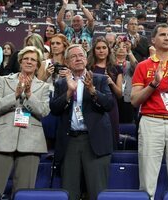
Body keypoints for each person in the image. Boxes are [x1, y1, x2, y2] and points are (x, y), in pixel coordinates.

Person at [0, 46, 50, 197]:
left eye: (33, 59)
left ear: (38, 65)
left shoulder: (43, 87)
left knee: (23, 194)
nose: (29, 61)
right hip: (2, 140)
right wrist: (15, 94)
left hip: (31, 143)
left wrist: (29, 95)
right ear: (20, 61)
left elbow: (43, 111)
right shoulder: (4, 80)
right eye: (26, 58)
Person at [50, 44, 114, 200]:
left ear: (86, 59)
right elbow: (54, 109)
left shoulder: (99, 80)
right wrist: (69, 92)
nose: (78, 58)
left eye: (81, 55)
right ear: (66, 61)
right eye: (74, 56)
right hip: (70, 141)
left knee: (96, 191)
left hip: (95, 141)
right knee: (70, 191)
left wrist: (92, 91)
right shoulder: (61, 83)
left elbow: (109, 105)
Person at [131, 23, 168, 200]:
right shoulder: (143, 66)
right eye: (163, 34)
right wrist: (154, 84)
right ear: (153, 40)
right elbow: (134, 100)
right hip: (150, 121)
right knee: (148, 179)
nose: (167, 38)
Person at [87, 36, 122, 149]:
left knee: (111, 138)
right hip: (92, 106)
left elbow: (119, 94)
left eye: (104, 48)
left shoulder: (116, 68)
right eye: (98, 48)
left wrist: (111, 82)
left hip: (111, 107)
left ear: (108, 50)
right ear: (94, 51)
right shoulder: (88, 68)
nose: (101, 51)